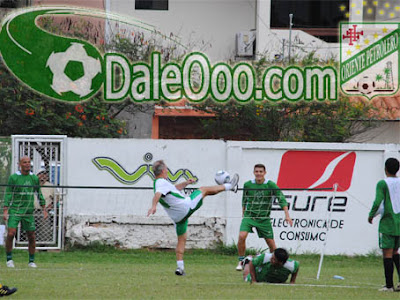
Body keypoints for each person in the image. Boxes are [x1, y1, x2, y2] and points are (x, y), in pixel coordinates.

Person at [147, 160, 239, 276]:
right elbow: (158, 194)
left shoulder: (160, 182)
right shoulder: (160, 182)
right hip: (185, 207)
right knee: (204, 190)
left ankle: (180, 268)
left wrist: (186, 183)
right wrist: (153, 206)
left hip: (177, 218)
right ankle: (229, 186)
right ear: (163, 170)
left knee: (182, 239)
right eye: (166, 168)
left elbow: (174, 189)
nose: (167, 170)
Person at [236, 164, 293, 271]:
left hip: (264, 218)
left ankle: (278, 264)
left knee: (271, 244)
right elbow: (244, 199)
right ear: (254, 173)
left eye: (260, 172)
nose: (258, 173)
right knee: (242, 236)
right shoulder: (248, 185)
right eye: (256, 171)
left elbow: (281, 199)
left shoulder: (270, 185)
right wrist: (243, 213)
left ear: (264, 173)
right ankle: (241, 261)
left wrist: (287, 215)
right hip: (249, 216)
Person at [3, 156, 48, 268]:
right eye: (25, 162)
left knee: (31, 235)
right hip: (16, 210)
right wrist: (5, 209)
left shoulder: (33, 178)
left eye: (29, 162)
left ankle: (31, 261)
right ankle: (9, 259)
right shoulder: (14, 178)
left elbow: (39, 193)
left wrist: (44, 208)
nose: (27, 164)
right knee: (11, 233)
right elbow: (8, 193)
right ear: (20, 164)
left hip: (28, 211)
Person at [368, 157, 400, 292]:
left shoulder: (382, 183)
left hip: (388, 222)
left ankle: (389, 286)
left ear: (385, 169)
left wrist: (371, 215)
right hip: (399, 223)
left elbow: (378, 201)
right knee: (395, 252)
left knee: (387, 253)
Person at [34, 169, 55, 242]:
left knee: (44, 230)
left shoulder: (50, 186)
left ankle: (44, 245)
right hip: (32, 210)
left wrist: (50, 206)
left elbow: (57, 199)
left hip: (44, 211)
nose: (43, 176)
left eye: (45, 174)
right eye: (41, 174)